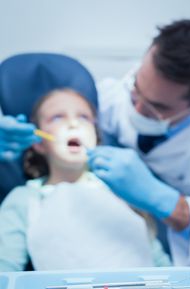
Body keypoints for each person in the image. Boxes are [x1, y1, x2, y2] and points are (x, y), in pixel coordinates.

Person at [0, 53, 170, 271]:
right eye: (57, 117)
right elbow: (5, 276)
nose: (73, 124)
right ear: (38, 143)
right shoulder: (24, 200)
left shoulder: (121, 190)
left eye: (83, 117)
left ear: (96, 137)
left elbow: (161, 263)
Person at [87, 19, 190, 274]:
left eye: (158, 108)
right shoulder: (118, 92)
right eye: (136, 88)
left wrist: (166, 202)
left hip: (173, 260)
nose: (137, 108)